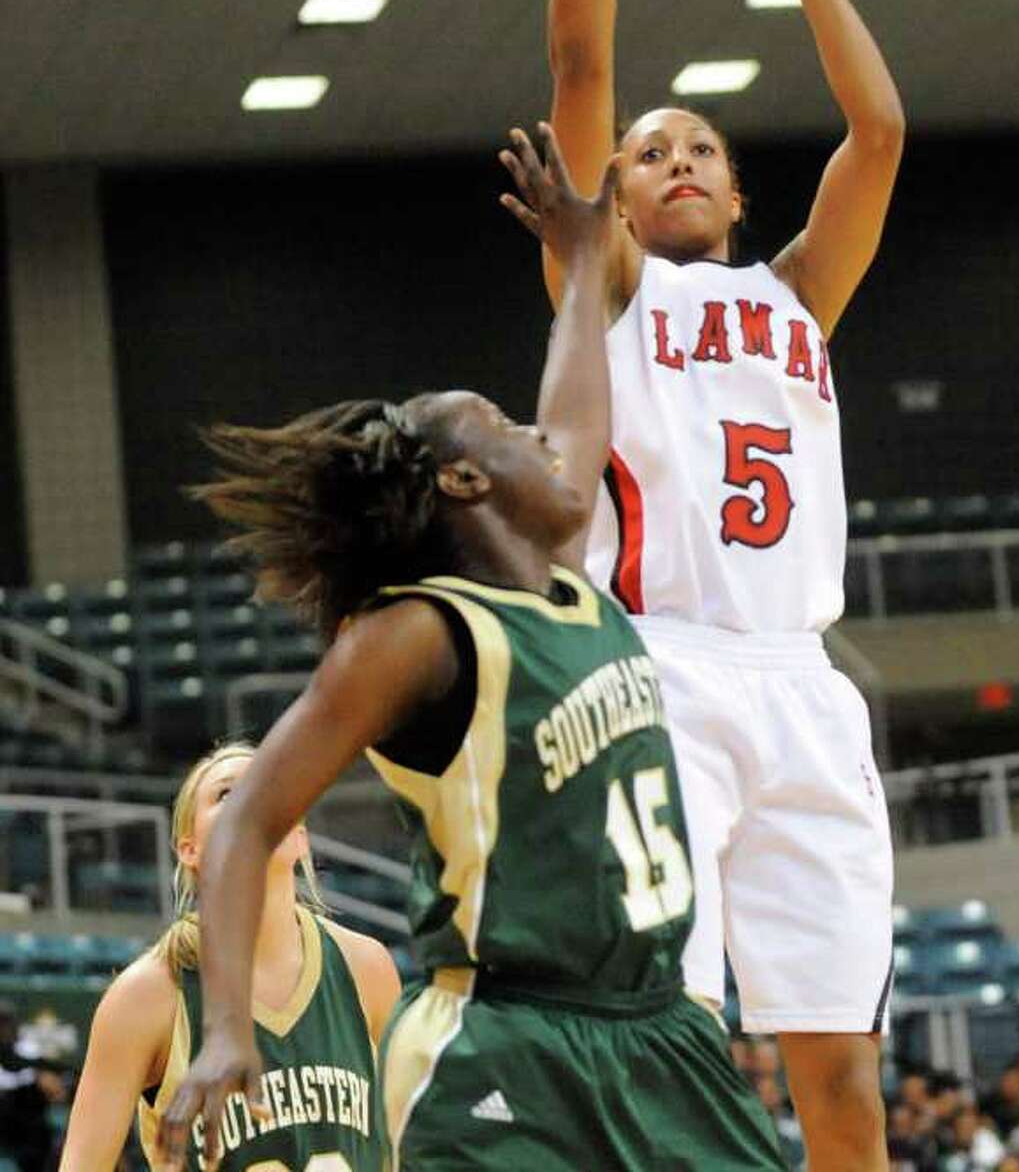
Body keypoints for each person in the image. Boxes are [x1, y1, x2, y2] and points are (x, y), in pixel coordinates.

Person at [156, 126, 785, 1171]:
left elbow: (578, 417)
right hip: (502, 1040)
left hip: (662, 1028)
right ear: (463, 482)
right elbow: (248, 819)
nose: (540, 437)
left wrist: (584, 261)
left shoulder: (569, 577)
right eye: (504, 425)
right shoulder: (415, 634)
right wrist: (226, 1025)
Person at [507, 0, 905, 1170]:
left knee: (844, 1074)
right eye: (650, 150)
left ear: (737, 198)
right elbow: (577, 69)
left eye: (704, 150)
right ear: (616, 193)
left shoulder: (795, 292)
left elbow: (879, 134)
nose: (673, 158)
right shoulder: (611, 283)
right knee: (669, 1044)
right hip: (661, 666)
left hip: (802, 680)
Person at [57, 739, 398, 1171]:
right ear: (189, 849)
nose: (253, 799)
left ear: (299, 838)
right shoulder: (147, 996)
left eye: (268, 785)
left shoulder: (366, 967)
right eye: (227, 793)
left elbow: (417, 1143)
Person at [0, 1000, 64, 1172]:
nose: (4, 1029)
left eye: (6, 1023)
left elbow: (57, 1092)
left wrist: (40, 1078)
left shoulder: (27, 1049)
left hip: (29, 1126)